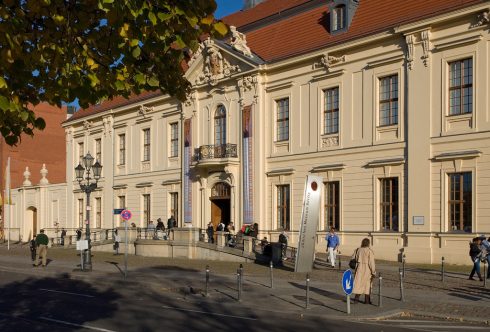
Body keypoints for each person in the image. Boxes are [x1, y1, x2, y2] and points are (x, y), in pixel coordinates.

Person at [352, 238, 376, 304]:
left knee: (359, 283)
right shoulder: (369, 251)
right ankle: (366, 301)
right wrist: (373, 272)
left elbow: (353, 258)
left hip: (359, 268)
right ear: (368, 243)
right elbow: (371, 263)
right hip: (367, 269)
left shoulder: (358, 250)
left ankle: (357, 300)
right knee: (367, 284)